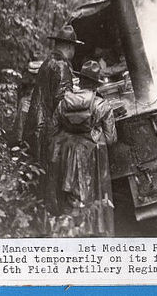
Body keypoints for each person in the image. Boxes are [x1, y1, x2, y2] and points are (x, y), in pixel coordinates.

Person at [46, 60, 117, 235]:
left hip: (67, 158)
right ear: (96, 83)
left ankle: (71, 232)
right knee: (93, 199)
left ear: (81, 80)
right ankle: (95, 232)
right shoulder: (101, 105)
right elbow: (111, 139)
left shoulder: (63, 103)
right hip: (92, 160)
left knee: (71, 201)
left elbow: (52, 132)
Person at [26, 25, 83, 163]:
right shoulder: (61, 65)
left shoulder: (48, 61)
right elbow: (64, 103)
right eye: (74, 47)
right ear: (70, 47)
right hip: (47, 131)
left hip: (36, 125)